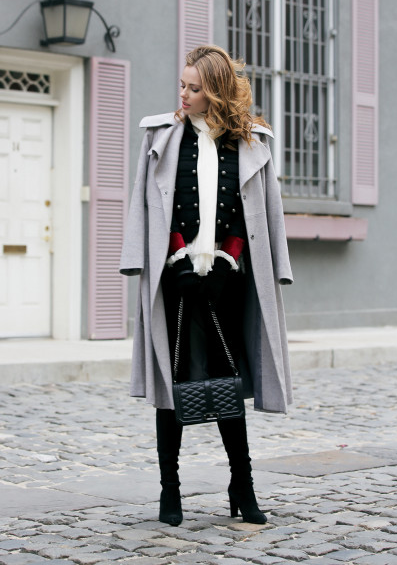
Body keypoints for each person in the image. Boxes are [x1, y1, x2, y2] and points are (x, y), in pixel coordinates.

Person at [120, 44, 293, 527]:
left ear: (216, 91)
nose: (184, 94)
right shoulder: (162, 135)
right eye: (182, 85)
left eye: (194, 88)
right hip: (174, 279)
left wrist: (228, 261)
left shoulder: (250, 142)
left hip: (228, 280)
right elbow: (155, 203)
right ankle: (169, 490)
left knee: (226, 379)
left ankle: (243, 486)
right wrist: (177, 257)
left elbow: (253, 211)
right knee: (172, 384)